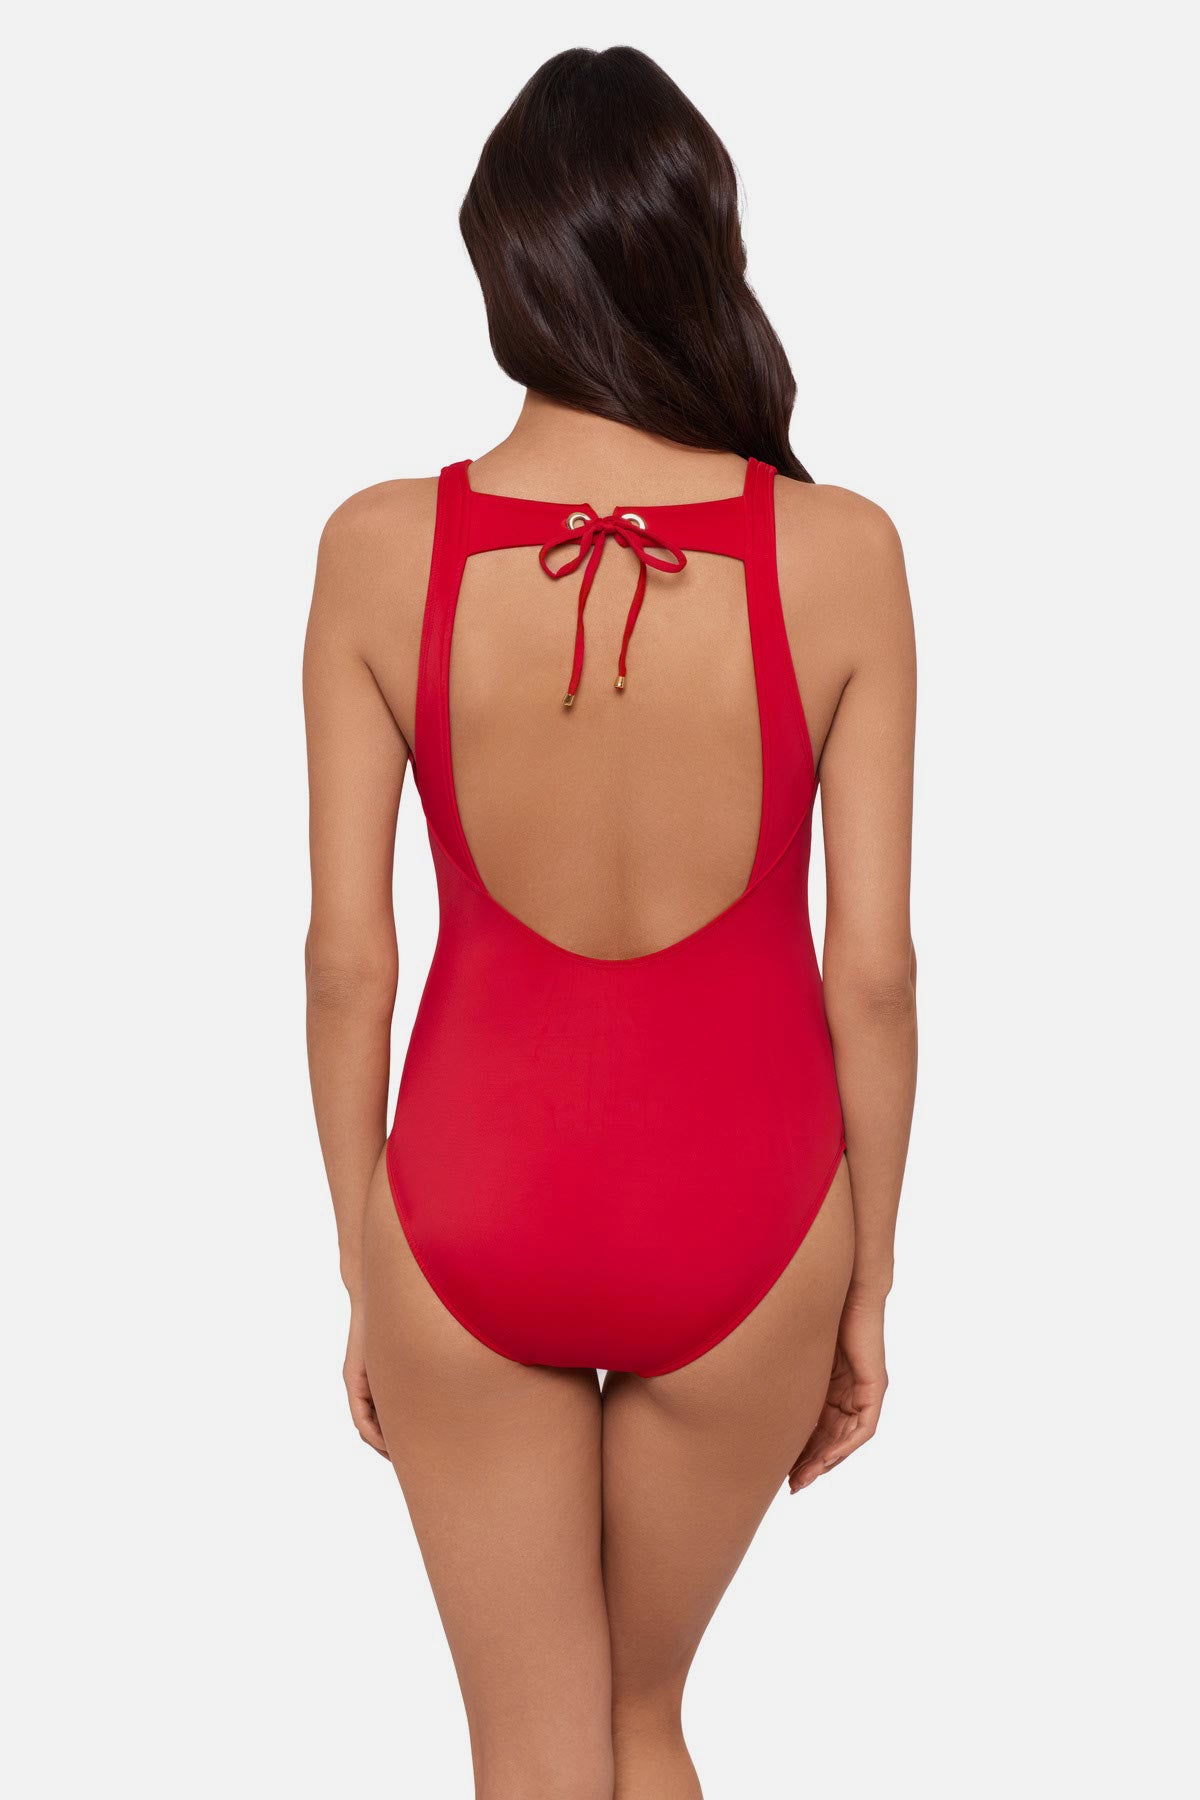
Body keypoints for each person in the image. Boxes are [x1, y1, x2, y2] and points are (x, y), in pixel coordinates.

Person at [304, 44, 916, 1800]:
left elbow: (349, 962)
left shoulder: (380, 548)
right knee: (641, 1724)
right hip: (751, 1213)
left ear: (503, 262)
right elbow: (873, 974)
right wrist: (868, 1287)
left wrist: (364, 1262)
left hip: (468, 1201)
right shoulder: (841, 554)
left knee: (532, 1754)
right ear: (701, 252)